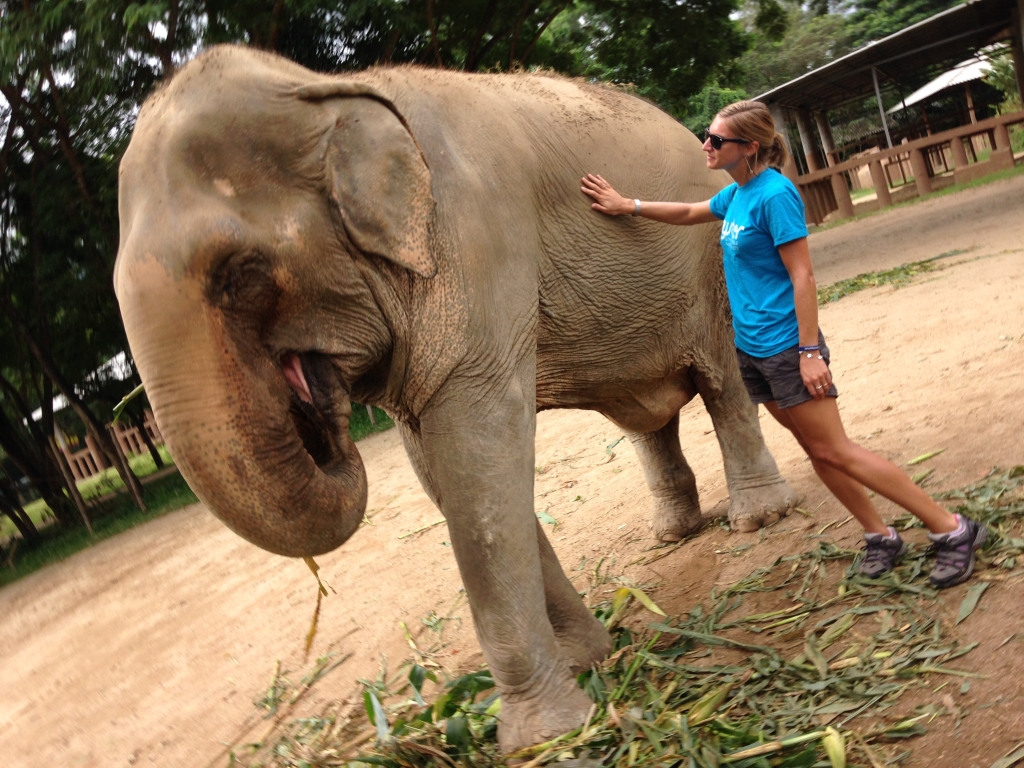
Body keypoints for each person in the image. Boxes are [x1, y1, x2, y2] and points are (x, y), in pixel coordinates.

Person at [580, 100, 987, 588]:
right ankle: (880, 535)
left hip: (788, 347)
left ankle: (953, 529)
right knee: (816, 451)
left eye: (716, 140)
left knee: (838, 449)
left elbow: (804, 275)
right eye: (705, 136)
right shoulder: (739, 193)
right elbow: (691, 211)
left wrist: (810, 351)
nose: (705, 146)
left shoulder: (775, 195)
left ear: (750, 147)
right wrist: (631, 205)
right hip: (752, 350)